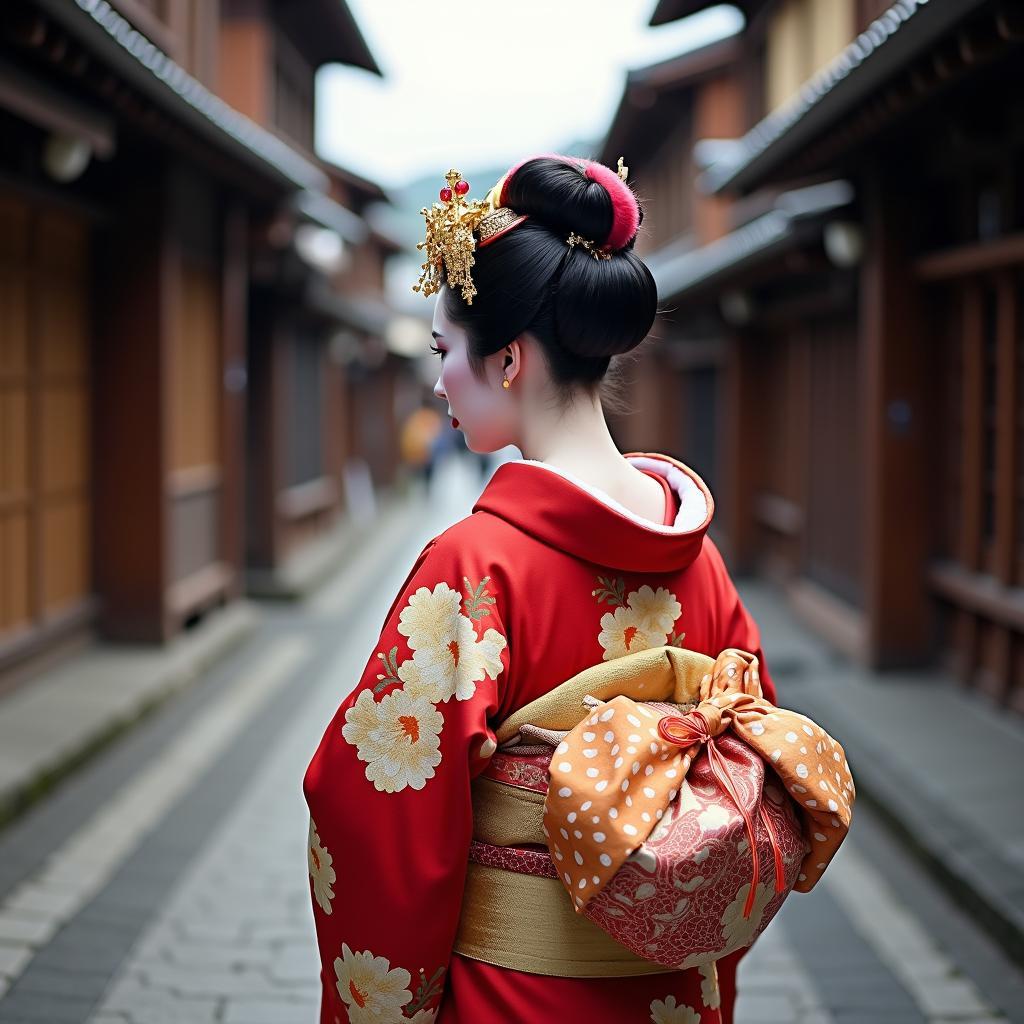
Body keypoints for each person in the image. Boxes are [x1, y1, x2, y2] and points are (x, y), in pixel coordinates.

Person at [303, 154, 777, 1024]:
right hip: (669, 992)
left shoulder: (473, 567)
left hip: (511, 996)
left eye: (446, 349)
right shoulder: (700, 561)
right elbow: (743, 797)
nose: (439, 378)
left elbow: (380, 816)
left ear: (511, 359)